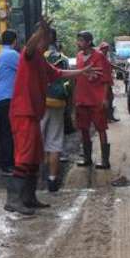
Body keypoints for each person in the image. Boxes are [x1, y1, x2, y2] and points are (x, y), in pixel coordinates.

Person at [5, 20, 99, 215]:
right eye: (47, 38)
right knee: (24, 156)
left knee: (34, 157)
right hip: (23, 112)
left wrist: (82, 71)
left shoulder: (41, 59)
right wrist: (41, 30)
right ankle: (13, 200)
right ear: (40, 39)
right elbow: (30, 46)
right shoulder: (29, 55)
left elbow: (60, 73)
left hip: (34, 113)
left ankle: (29, 197)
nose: (50, 42)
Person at [74, 31, 113, 169]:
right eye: (78, 40)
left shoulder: (99, 56)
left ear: (89, 42)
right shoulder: (78, 56)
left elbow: (107, 79)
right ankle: (87, 158)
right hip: (81, 100)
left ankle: (105, 160)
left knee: (101, 128)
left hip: (96, 99)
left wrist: (104, 98)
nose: (78, 43)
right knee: (83, 129)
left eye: (80, 40)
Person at [42, 29, 70, 192]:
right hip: (58, 103)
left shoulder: (36, 57)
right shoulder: (63, 59)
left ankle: (38, 177)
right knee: (54, 141)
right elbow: (68, 83)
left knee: (39, 139)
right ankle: (52, 179)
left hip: (40, 103)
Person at [0, 29, 19, 175]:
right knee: (9, 132)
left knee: (5, 132)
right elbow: (25, 69)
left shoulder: (0, 55)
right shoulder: (12, 54)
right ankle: (8, 165)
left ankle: (7, 164)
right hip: (8, 98)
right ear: (15, 41)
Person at [98, 42, 120, 122]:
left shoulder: (105, 57)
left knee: (110, 98)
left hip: (107, 81)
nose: (106, 50)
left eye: (107, 48)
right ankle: (106, 117)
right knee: (106, 99)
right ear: (102, 49)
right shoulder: (99, 57)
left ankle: (109, 116)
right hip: (102, 82)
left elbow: (110, 65)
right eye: (105, 48)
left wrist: (122, 69)